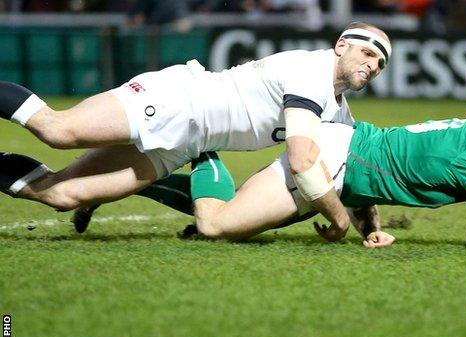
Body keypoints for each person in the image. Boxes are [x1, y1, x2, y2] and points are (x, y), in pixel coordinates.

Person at [0, 22, 393, 241]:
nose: (373, 66)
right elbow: (303, 160)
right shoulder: (311, 72)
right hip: (178, 101)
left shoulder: (339, 114)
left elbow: (344, 177)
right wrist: (338, 222)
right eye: (368, 53)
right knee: (58, 130)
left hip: (187, 143)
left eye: (381, 64)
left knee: (63, 194)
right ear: (342, 45)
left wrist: (369, 231)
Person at [72, 95, 466, 247]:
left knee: (228, 213)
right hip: (330, 160)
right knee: (216, 226)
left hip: (348, 163)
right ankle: (204, 155)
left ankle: (116, 190)